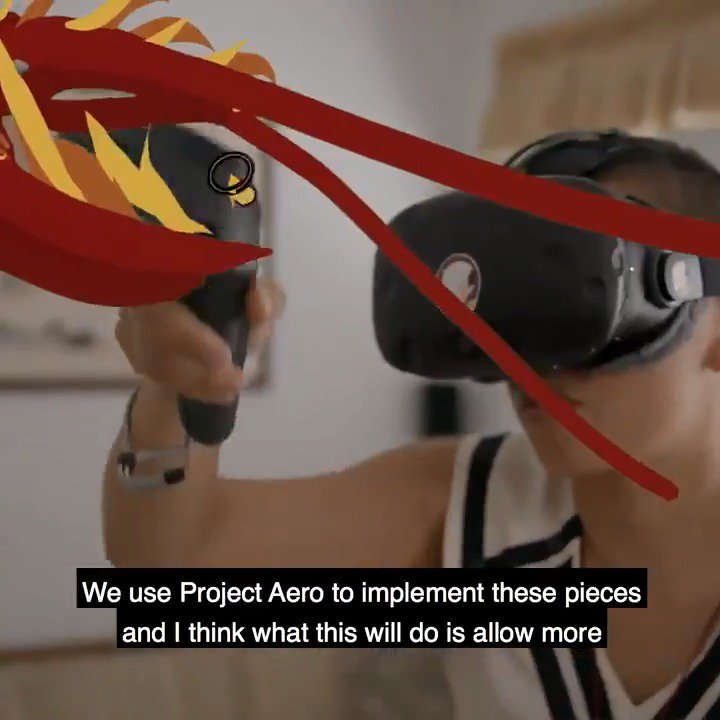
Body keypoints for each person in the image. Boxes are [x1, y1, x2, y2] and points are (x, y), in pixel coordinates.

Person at [103, 131, 720, 720]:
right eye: (526, 311)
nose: (537, 362)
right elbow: (171, 575)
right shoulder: (476, 506)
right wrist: (177, 385)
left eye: (593, 301)